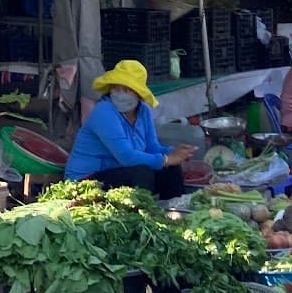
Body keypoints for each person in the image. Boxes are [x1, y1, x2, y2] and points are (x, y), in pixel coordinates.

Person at [64, 60, 196, 197]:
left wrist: (176, 153)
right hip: (84, 181)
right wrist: (166, 159)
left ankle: (174, 209)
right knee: (142, 173)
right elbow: (126, 157)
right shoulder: (104, 111)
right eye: (116, 88)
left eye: (126, 89)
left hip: (118, 173)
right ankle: (143, 215)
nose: (120, 93)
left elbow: (152, 148)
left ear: (138, 93)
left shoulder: (143, 111)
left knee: (171, 168)